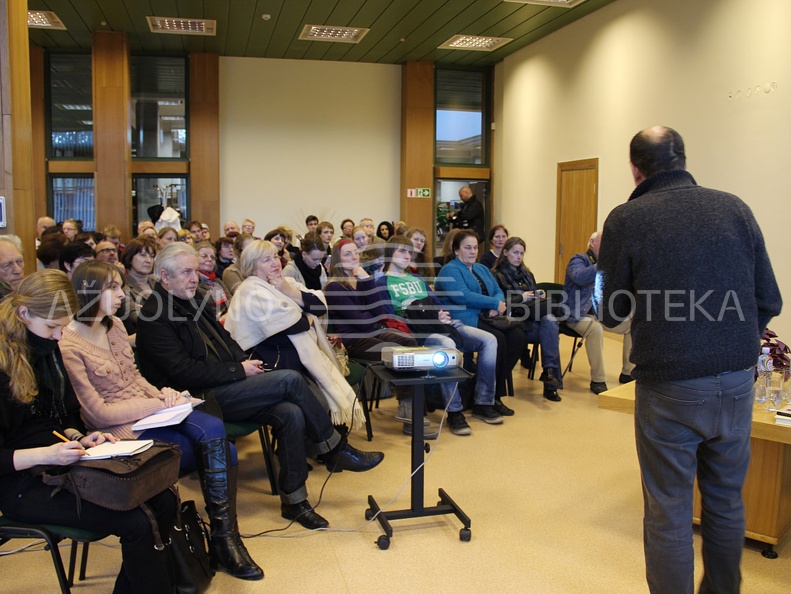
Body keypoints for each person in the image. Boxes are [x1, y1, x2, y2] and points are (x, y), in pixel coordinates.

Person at [596, 125, 782, 594]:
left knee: (669, 511)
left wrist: (602, 265)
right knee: (726, 501)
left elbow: (609, 312)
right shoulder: (735, 208)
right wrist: (731, 341)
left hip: (669, 386)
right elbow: (769, 299)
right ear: (682, 160)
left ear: (635, 169)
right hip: (736, 382)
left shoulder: (627, 218)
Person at [135, 243, 384, 530]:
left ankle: (295, 502)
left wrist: (243, 364)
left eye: (195, 271)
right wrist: (237, 370)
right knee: (290, 379)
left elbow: (227, 341)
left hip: (225, 383)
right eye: (187, 272)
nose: (195, 278)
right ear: (165, 277)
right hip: (196, 399)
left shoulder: (192, 299)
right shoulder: (154, 316)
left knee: (290, 412)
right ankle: (334, 449)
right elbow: (183, 373)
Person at [60, 260, 263, 580]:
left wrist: (163, 395)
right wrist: (153, 404)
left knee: (213, 428)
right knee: (223, 451)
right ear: (88, 291)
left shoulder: (113, 325)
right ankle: (219, 544)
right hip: (119, 430)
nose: (121, 295)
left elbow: (134, 378)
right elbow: (97, 413)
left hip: (148, 413)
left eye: (120, 287)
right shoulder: (68, 343)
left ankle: (226, 540)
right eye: (112, 288)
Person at [0, 270, 177, 593]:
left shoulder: (47, 350)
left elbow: (63, 415)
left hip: (61, 462)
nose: (59, 337)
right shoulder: (5, 365)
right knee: (136, 522)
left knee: (164, 498)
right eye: (52, 327)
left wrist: (79, 437)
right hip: (20, 483)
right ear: (24, 314)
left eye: (63, 327)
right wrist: (47, 454)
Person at [224, 240, 361, 428]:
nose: (275, 263)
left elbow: (320, 306)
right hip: (273, 362)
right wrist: (307, 318)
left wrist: (289, 291)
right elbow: (294, 326)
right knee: (321, 400)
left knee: (330, 392)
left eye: (275, 257)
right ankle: (331, 444)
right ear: (251, 266)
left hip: (298, 358)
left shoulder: (284, 283)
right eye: (266, 260)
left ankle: (333, 442)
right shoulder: (251, 290)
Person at [378, 237, 503, 436]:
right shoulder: (382, 282)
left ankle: (483, 402)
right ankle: (454, 411)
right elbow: (388, 317)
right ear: (389, 253)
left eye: (409, 251)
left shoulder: (417, 279)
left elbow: (437, 303)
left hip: (442, 323)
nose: (407, 255)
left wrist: (442, 313)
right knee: (447, 343)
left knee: (489, 340)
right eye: (401, 251)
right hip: (418, 330)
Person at [324, 239, 439, 437]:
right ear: (337, 259)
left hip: (373, 332)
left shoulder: (360, 281)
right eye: (347, 254)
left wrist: (366, 280)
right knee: (397, 352)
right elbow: (362, 322)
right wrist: (371, 313)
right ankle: (412, 416)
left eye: (355, 252)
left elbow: (379, 312)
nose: (354, 257)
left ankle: (407, 407)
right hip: (353, 340)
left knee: (408, 342)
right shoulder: (334, 287)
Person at [435, 230, 526, 418]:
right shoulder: (450, 270)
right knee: (498, 339)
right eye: (467, 247)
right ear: (456, 250)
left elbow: (497, 290)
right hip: (464, 318)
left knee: (517, 337)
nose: (472, 251)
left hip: (487, 316)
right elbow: (462, 295)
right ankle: (486, 400)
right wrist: (493, 304)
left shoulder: (482, 268)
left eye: (475, 247)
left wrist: (496, 304)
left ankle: (493, 393)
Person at [491, 237, 563, 401]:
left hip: (533, 319)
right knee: (550, 331)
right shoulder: (496, 275)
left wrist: (538, 295)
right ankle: (551, 382)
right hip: (514, 322)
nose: (519, 257)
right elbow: (499, 303)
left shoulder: (527, 274)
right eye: (515, 253)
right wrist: (521, 298)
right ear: (505, 252)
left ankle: (548, 372)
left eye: (521, 253)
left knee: (550, 322)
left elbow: (534, 301)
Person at [563, 231, 634, 394]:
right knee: (595, 329)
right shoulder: (578, 260)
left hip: (599, 314)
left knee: (631, 325)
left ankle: (628, 373)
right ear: (592, 243)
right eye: (604, 242)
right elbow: (580, 277)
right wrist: (603, 265)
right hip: (576, 314)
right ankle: (598, 380)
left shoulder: (606, 267)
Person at [119, 235, 157, 344]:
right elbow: (138, 318)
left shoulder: (159, 283)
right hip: (141, 344)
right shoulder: (122, 287)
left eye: (151, 256)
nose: (148, 260)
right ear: (129, 257)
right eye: (143, 255)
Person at [195, 241, 230, 321]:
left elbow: (231, 301)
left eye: (212, 257)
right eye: (204, 256)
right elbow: (206, 310)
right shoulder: (195, 283)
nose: (209, 259)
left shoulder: (217, 281)